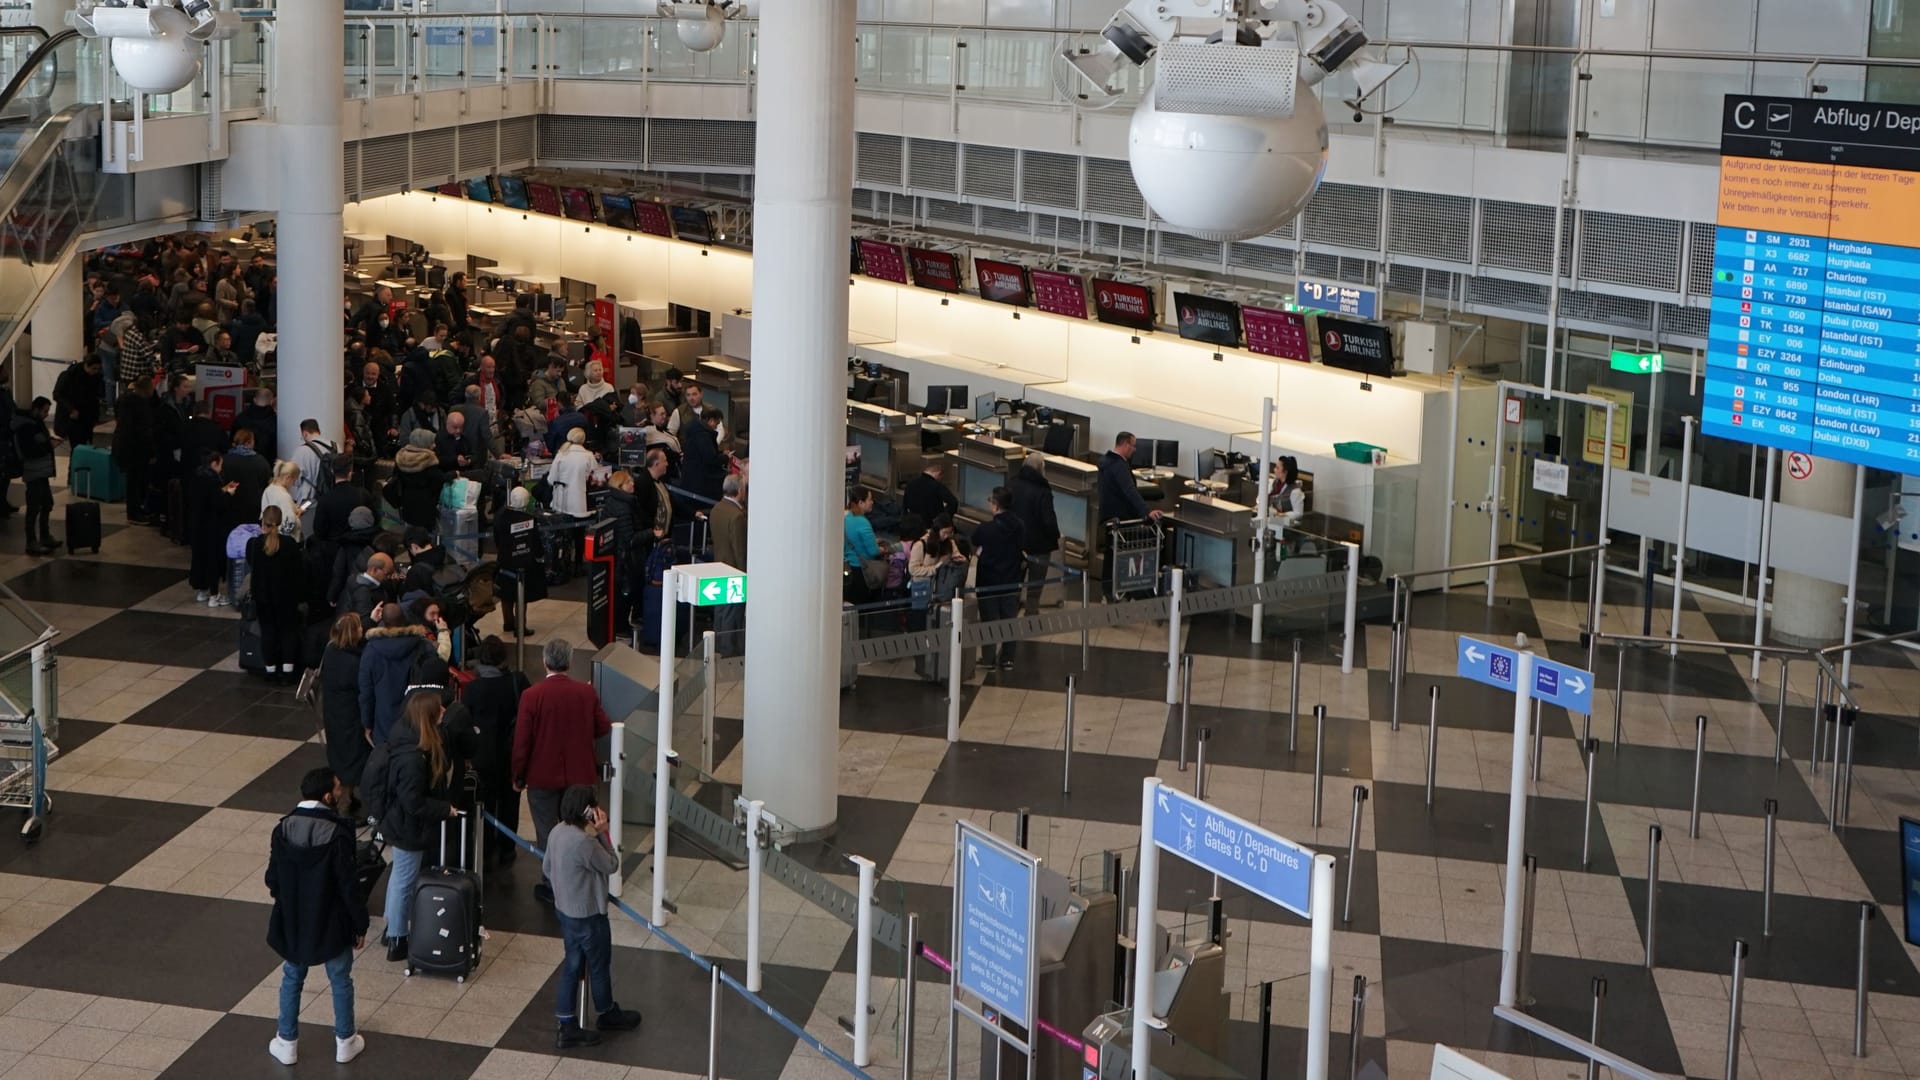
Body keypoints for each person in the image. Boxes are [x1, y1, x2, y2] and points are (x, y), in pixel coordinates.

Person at [264, 766, 368, 1067]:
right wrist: (359, 923)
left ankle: (286, 1042)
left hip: (294, 920)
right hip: (332, 921)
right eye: (337, 789)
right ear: (326, 796)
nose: (341, 792)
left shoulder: (282, 829)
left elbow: (272, 879)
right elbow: (348, 886)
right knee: (340, 979)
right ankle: (346, 1042)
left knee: (292, 977)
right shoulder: (338, 833)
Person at [511, 637, 611, 905]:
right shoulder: (585, 693)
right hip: (580, 779)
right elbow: (603, 727)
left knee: (547, 833)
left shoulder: (531, 696)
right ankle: (578, 877)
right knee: (579, 831)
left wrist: (518, 777)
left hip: (542, 779)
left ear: (545, 662)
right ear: (570, 661)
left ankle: (552, 884)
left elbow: (522, 742)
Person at [544, 784, 643, 1048]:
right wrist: (603, 832)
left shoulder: (557, 832)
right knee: (598, 966)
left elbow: (547, 867)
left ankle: (567, 1024)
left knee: (571, 966)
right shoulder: (584, 843)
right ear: (587, 811)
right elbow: (611, 864)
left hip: (565, 913)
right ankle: (607, 1013)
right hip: (588, 916)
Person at [374, 694, 460, 962]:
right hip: (409, 826)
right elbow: (413, 802)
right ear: (428, 716)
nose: (444, 710)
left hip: (400, 822)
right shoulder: (413, 758)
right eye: (439, 709)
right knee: (405, 880)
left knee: (399, 875)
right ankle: (398, 938)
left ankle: (392, 929)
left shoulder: (406, 738)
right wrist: (444, 809)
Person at [463, 636, 528, 868]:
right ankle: (507, 848)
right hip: (511, 753)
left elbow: (466, 722)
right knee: (510, 802)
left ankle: (486, 846)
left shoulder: (473, 688)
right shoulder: (517, 682)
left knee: (485, 802)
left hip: (482, 757)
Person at [360, 603, 432, 747]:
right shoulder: (423, 646)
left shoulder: (371, 650)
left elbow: (366, 691)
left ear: (383, 622)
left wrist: (367, 723)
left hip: (384, 721)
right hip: (417, 718)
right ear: (404, 619)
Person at [970, 488, 1026, 670]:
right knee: (1009, 619)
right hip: (1011, 579)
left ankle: (989, 659)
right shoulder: (1020, 526)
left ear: (995, 505)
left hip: (988, 582)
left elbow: (974, 540)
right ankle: (1008, 658)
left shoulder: (986, 529)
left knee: (989, 620)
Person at [249, 505, 306, 682]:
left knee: (268, 632)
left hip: (263, 597)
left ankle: (270, 670)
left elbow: (253, 567)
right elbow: (298, 571)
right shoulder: (289, 544)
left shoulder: (255, 544)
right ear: (280, 522)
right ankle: (288, 670)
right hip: (286, 597)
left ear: (263, 522)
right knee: (288, 631)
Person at [320, 613, 370, 800]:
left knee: (341, 755)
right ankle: (346, 803)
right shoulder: (353, 664)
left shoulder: (331, 650)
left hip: (334, 713)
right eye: (359, 627)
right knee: (353, 757)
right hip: (351, 717)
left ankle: (345, 798)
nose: (362, 629)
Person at [1009, 452, 1060, 616]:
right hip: (1039, 544)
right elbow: (1048, 520)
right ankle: (1031, 611)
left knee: (1014, 579)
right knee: (1036, 582)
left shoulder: (1012, 484)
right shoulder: (1042, 491)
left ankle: (1011, 609)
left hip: (1015, 542)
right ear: (1040, 468)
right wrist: (1055, 536)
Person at [187, 449, 239, 604]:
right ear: (214, 463)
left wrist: (222, 490)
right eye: (220, 464)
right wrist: (229, 493)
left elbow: (207, 497)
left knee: (200, 558)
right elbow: (218, 503)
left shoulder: (197, 477)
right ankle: (214, 595)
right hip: (212, 527)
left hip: (197, 526)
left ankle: (203, 591)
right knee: (213, 560)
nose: (221, 468)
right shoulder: (213, 479)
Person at [709, 474, 747, 654]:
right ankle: (729, 650)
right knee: (733, 614)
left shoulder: (716, 509)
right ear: (740, 491)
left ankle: (717, 648)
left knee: (721, 611)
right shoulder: (737, 516)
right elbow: (739, 550)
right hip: (735, 572)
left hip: (719, 567)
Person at [112, 371, 156, 524]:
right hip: (135, 450)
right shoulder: (140, 404)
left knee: (133, 481)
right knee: (135, 482)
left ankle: (135, 510)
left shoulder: (123, 399)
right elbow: (143, 430)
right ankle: (134, 513)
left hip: (124, 447)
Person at [388, 429, 447, 530]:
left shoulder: (401, 458)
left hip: (406, 504)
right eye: (432, 442)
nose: (434, 445)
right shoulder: (428, 460)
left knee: (410, 534)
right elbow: (438, 481)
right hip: (426, 507)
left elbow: (396, 477)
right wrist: (453, 474)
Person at [1097, 431, 1159, 525]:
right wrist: (1147, 511)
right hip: (1122, 517)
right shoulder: (1119, 466)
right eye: (1133, 446)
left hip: (1107, 515)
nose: (1134, 449)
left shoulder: (1104, 460)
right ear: (1126, 444)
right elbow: (1130, 490)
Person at [842, 487, 889, 603]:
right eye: (870, 499)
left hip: (849, 567)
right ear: (861, 503)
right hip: (863, 571)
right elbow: (873, 551)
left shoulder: (847, 518)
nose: (872, 502)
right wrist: (882, 549)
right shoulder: (863, 522)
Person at [52, 355, 101, 455]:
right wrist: (71, 409)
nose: (96, 371)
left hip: (87, 417)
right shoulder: (69, 376)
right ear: (86, 366)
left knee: (86, 446)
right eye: (94, 368)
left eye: (98, 369)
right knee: (77, 448)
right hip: (73, 417)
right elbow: (57, 394)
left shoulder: (95, 377)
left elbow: (94, 398)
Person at [678, 406, 728, 504]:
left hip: (692, 481)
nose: (716, 427)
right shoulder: (703, 435)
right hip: (700, 485)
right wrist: (725, 458)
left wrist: (720, 453)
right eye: (716, 424)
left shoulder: (696, 431)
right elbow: (710, 459)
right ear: (711, 421)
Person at [548, 427, 595, 521]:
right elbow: (595, 479)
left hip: (560, 502)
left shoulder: (561, 454)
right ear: (583, 439)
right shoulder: (588, 456)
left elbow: (551, 480)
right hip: (580, 503)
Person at [224, 427, 272, 515]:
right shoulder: (260, 461)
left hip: (230, 504)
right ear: (249, 442)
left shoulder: (226, 459)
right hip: (253, 506)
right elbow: (267, 482)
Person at [291, 419, 337, 506]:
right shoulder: (336, 447)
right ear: (318, 430)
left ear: (305, 433)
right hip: (333, 499)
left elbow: (294, 480)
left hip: (310, 501)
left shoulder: (302, 451)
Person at [903, 459, 959, 525]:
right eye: (940, 478)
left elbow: (905, 506)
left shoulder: (911, 484)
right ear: (938, 473)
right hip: (933, 525)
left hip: (915, 525)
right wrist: (945, 518)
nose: (940, 480)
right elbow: (953, 502)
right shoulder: (936, 486)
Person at [401, 526, 449, 596]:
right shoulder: (445, 555)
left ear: (414, 546)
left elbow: (410, 598)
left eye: (409, 549)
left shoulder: (416, 571)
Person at [235, 387, 279, 463]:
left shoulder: (240, 418)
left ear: (254, 399)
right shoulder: (276, 421)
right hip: (267, 464)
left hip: (242, 462)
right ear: (272, 401)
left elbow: (234, 440)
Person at [264, 460, 302, 538]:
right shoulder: (284, 496)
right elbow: (289, 526)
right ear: (288, 477)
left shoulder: (268, 490)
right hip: (284, 541)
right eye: (294, 481)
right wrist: (297, 516)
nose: (294, 485)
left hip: (269, 536)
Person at [1268, 454, 1307, 526]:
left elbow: (1298, 513)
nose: (1274, 470)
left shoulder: (1295, 491)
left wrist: (1283, 514)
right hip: (1274, 523)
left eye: (1277, 468)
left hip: (1288, 527)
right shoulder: (1275, 483)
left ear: (1285, 472)